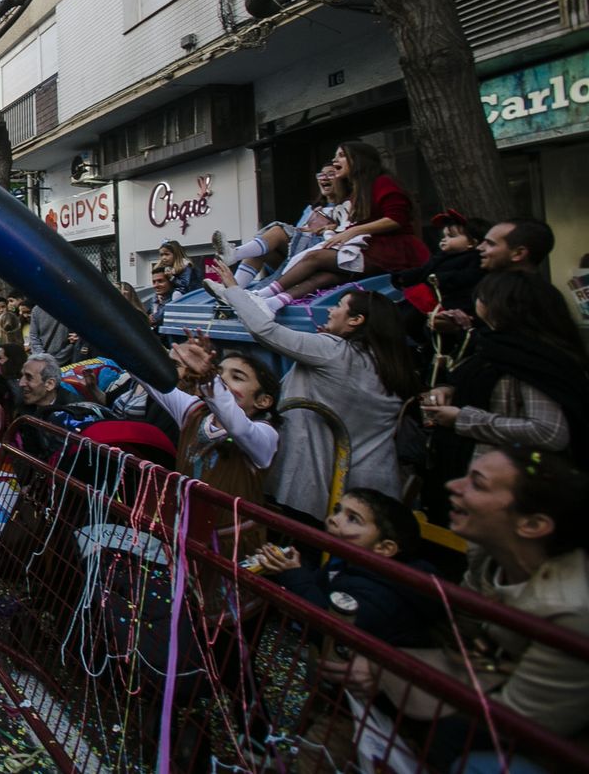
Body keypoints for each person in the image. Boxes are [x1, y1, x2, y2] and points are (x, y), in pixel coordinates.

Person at [324, 447, 589, 767]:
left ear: (532, 525)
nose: (453, 486)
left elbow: (512, 721)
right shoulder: (487, 555)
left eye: (477, 484)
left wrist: (388, 674)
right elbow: (459, 637)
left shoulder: (570, 613)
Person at [210, 263, 418, 525]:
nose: (331, 310)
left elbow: (266, 331)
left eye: (339, 306)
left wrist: (232, 289)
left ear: (356, 320)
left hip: (315, 486)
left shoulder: (333, 351)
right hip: (374, 490)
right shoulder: (394, 367)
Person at [420, 269, 589, 471]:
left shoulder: (529, 358)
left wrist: (462, 418)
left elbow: (549, 432)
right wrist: (451, 392)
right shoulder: (497, 348)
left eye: (482, 296)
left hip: (511, 481)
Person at [248, 141, 429, 313]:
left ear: (359, 160)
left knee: (314, 257)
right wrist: (333, 229)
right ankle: (274, 303)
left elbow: (396, 219)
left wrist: (352, 231)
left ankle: (263, 293)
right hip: (370, 252)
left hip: (392, 254)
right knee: (325, 277)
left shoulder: (383, 182)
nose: (335, 160)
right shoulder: (358, 192)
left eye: (342, 155)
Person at [144, 332, 281, 554]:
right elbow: (148, 377)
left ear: (263, 400)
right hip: (185, 536)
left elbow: (238, 427)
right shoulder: (194, 411)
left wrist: (210, 380)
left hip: (232, 547)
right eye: (220, 373)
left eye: (237, 377)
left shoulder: (266, 435)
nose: (224, 379)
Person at [250, 488, 437, 647]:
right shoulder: (343, 562)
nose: (333, 519)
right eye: (337, 510)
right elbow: (317, 590)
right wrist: (282, 568)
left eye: (353, 519)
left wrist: (293, 574)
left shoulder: (381, 593)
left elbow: (328, 633)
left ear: (384, 547)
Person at [225, 164, 351, 287]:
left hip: (320, 261)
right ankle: (235, 286)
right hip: (295, 258)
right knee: (258, 249)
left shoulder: (350, 207)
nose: (324, 178)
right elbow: (297, 236)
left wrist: (329, 229)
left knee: (277, 230)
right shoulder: (312, 209)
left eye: (330, 174)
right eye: (321, 175)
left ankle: (235, 254)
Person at [389, 208, 488, 316]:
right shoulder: (440, 257)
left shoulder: (474, 258)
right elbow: (424, 270)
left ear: (472, 243)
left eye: (451, 236)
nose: (444, 239)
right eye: (444, 236)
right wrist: (403, 277)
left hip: (450, 304)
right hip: (425, 297)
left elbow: (469, 277)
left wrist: (440, 278)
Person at [142, 266, 181, 336]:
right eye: (154, 282)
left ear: (170, 281)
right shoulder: (154, 300)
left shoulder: (178, 298)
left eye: (160, 281)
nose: (156, 285)